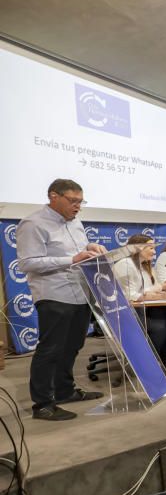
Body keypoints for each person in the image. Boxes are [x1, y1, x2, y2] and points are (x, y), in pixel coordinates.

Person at [16, 179, 108, 421]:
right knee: (51, 350)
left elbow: (78, 248)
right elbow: (27, 262)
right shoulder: (33, 223)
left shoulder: (75, 222)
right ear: (53, 197)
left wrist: (91, 246)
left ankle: (65, 391)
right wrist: (71, 259)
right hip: (54, 294)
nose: (78, 206)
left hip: (80, 292)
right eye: (73, 201)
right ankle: (43, 404)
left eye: (81, 201)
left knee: (73, 346)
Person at [113, 235, 166, 365]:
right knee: (160, 327)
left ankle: (164, 359)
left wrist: (163, 289)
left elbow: (148, 288)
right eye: (151, 248)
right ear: (137, 248)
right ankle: (148, 362)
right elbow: (131, 296)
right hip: (125, 312)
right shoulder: (125, 264)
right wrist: (160, 295)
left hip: (141, 309)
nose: (154, 252)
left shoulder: (144, 265)